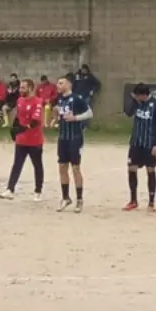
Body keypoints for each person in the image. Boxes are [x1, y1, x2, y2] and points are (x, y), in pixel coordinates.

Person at [0, 78, 44, 201]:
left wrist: (24, 128)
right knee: (17, 164)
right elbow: (18, 117)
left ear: (30, 88)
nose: (21, 90)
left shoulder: (37, 101)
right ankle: (10, 189)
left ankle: (38, 191)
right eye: (20, 87)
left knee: (37, 165)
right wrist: (14, 129)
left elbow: (35, 121)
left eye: (23, 87)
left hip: (35, 140)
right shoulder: (20, 100)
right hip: (21, 140)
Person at [122, 83, 156, 211]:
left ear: (143, 95)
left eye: (137, 95)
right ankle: (133, 200)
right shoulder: (137, 103)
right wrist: (134, 101)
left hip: (149, 143)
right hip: (136, 142)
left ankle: (151, 202)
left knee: (150, 170)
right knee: (132, 168)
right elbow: (128, 113)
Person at [54, 76, 92, 212]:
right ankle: (65, 197)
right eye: (57, 83)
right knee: (62, 167)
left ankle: (79, 199)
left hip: (75, 137)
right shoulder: (60, 100)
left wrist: (75, 118)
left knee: (75, 168)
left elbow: (89, 113)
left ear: (68, 85)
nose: (57, 85)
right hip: (62, 137)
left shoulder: (77, 98)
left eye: (60, 83)